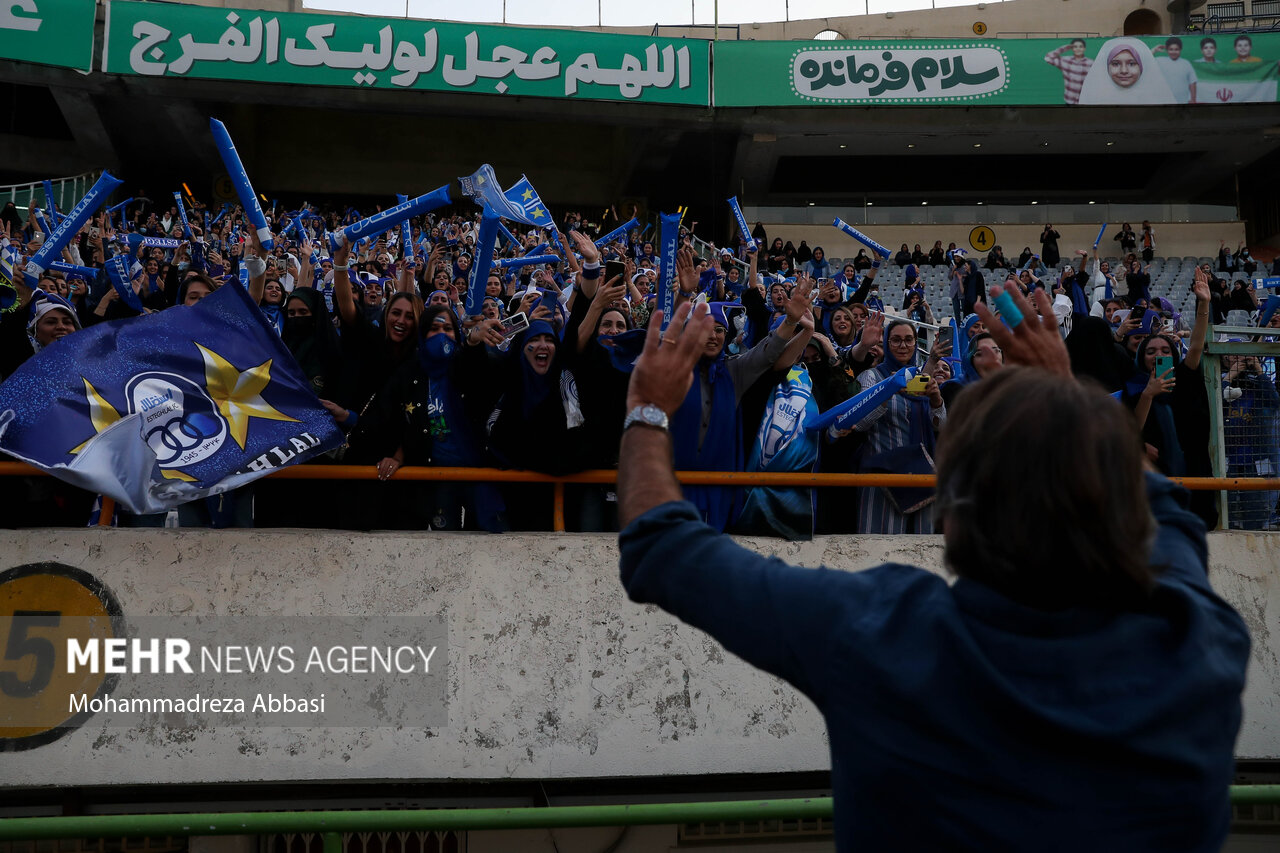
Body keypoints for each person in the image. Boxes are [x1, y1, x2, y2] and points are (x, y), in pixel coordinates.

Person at [615, 291, 1248, 852]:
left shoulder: (883, 636)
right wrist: (1060, 400)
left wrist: (646, 407)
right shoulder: (1194, 638)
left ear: (949, 516)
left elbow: (661, 550)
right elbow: (1163, 513)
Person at [1077, 38, 1175, 105]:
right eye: (1116, 64)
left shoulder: (1158, 97)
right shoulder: (1095, 98)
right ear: (1106, 67)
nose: (1124, 70)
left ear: (1141, 66)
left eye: (1132, 64)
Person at [1044, 38, 1093, 104]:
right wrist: (1064, 48)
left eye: (1081, 46)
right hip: (1069, 100)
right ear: (1072, 49)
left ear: (1084, 49)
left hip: (1084, 101)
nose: (1078, 49)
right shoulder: (1065, 61)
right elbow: (1047, 58)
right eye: (1075, 47)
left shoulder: (1091, 63)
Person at [1153, 37, 1198, 104]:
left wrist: (1193, 99)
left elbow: (1192, 82)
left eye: (1176, 49)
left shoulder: (1186, 63)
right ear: (1167, 50)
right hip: (1164, 101)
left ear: (1180, 49)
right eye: (1171, 49)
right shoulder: (1160, 61)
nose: (1173, 52)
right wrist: (1154, 50)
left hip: (1183, 102)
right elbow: (1144, 60)